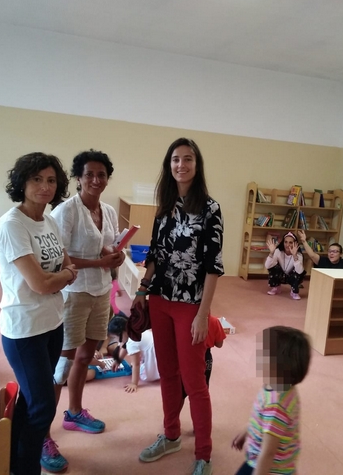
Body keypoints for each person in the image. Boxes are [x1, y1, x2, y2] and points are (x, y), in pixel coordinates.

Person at [133, 138, 224, 475]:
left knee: (194, 381)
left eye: (187, 159)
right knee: (168, 374)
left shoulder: (210, 209)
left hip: (190, 304)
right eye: (175, 159)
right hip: (160, 299)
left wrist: (203, 314)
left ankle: (204, 454)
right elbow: (155, 253)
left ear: (197, 165)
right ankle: (171, 435)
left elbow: (214, 266)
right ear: (168, 165)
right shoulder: (165, 206)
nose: (181, 165)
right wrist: (142, 291)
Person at [0, 152, 77, 475]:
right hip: (24, 328)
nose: (45, 186)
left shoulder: (49, 220)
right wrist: (63, 276)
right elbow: (40, 283)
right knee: (42, 408)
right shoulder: (12, 225)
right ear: (22, 183)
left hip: (52, 323)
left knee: (31, 402)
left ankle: (10, 462)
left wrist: (60, 276)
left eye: (51, 180)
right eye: (37, 179)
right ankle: (25, 469)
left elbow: (66, 264)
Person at [44, 149, 125, 472]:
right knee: (62, 362)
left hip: (101, 292)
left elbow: (109, 247)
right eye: (89, 174)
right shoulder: (66, 211)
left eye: (101, 175)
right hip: (74, 293)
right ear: (78, 178)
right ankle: (42, 434)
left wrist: (115, 256)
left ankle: (74, 412)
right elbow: (60, 257)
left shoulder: (109, 210)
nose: (95, 180)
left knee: (85, 355)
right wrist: (100, 261)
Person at [231, 326, 311, 475]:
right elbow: (262, 420)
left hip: (268, 469)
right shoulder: (278, 387)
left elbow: (268, 453)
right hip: (262, 460)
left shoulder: (276, 406)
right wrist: (247, 430)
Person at [106, 313, 160, 392]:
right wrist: (118, 360)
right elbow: (125, 346)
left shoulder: (132, 342)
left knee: (142, 373)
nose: (116, 340)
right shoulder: (135, 329)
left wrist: (134, 383)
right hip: (160, 356)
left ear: (122, 332)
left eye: (114, 337)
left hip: (155, 364)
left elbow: (136, 364)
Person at [183, 314, 226, 400]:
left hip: (188, 355)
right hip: (206, 357)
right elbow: (219, 344)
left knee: (181, 389)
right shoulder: (214, 321)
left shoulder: (185, 321)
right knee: (202, 388)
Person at [264, 232, 306, 300]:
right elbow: (267, 266)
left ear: (295, 244)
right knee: (273, 267)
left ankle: (294, 292)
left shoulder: (299, 255)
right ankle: (276, 287)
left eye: (290, 242)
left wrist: (295, 256)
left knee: (299, 272)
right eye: (285, 242)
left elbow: (300, 272)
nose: (287, 245)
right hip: (281, 275)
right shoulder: (278, 251)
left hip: (292, 276)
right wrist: (271, 253)